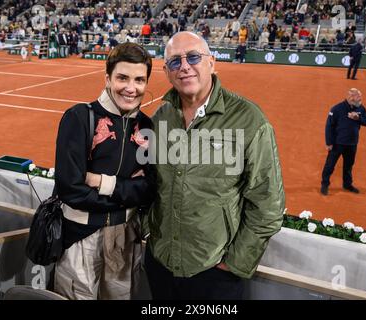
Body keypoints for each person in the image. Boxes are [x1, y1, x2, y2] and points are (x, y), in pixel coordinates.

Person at [144, 31, 285, 300]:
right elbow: (150, 184)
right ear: (167, 71)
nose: (184, 67)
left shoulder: (249, 119)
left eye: (193, 57)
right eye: (175, 62)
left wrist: (233, 265)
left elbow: (268, 205)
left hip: (214, 274)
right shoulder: (160, 118)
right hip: (160, 264)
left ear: (212, 62)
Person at [53, 42, 156, 300]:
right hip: (79, 239)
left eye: (139, 80)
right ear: (107, 77)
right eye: (122, 77)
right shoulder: (79, 117)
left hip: (125, 239)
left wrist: (99, 181)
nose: (131, 88)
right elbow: (71, 190)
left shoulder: (147, 126)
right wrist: (127, 192)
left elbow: (149, 190)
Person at [321, 88, 366, 196]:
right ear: (351, 97)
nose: (360, 100)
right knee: (330, 165)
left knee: (348, 165)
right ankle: (325, 184)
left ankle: (347, 184)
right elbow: (329, 126)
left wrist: (358, 118)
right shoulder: (336, 109)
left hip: (352, 144)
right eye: (358, 97)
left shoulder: (360, 108)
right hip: (337, 143)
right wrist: (329, 143)